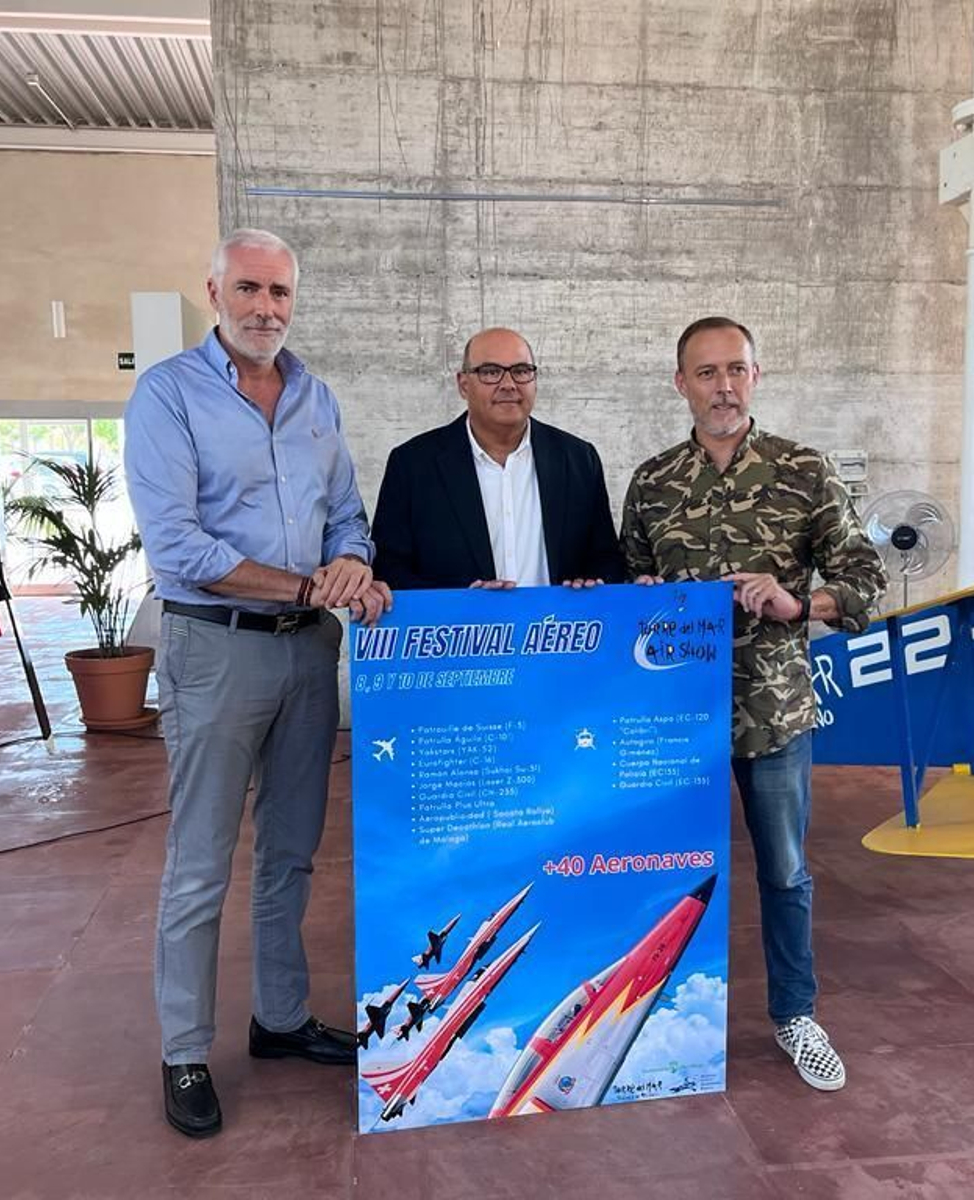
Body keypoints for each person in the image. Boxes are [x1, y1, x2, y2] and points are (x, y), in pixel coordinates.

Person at [124, 227, 391, 1139]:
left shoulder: (316, 397)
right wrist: (311, 584)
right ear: (213, 290)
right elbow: (180, 547)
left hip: (310, 652)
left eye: (279, 293)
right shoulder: (167, 395)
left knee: (289, 852)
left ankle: (278, 1020)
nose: (265, 308)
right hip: (214, 649)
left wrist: (351, 567)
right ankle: (185, 1050)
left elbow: (347, 516)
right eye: (248, 289)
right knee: (200, 862)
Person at [619, 316, 886, 1093]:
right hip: (670, 723)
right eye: (706, 373)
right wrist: (640, 598)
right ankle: (658, 1023)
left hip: (771, 716)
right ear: (681, 384)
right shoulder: (653, 481)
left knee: (785, 872)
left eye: (736, 369)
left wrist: (799, 604)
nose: (723, 386)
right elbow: (630, 585)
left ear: (756, 377)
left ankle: (795, 1013)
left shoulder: (804, 471)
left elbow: (865, 581)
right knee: (662, 873)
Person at [371, 327, 627, 589]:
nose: (508, 384)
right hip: (461, 627)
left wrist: (591, 585)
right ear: (463, 384)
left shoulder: (578, 460)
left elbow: (605, 560)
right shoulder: (413, 465)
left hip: (552, 625)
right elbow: (389, 569)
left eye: (521, 371)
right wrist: (462, 605)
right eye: (491, 372)